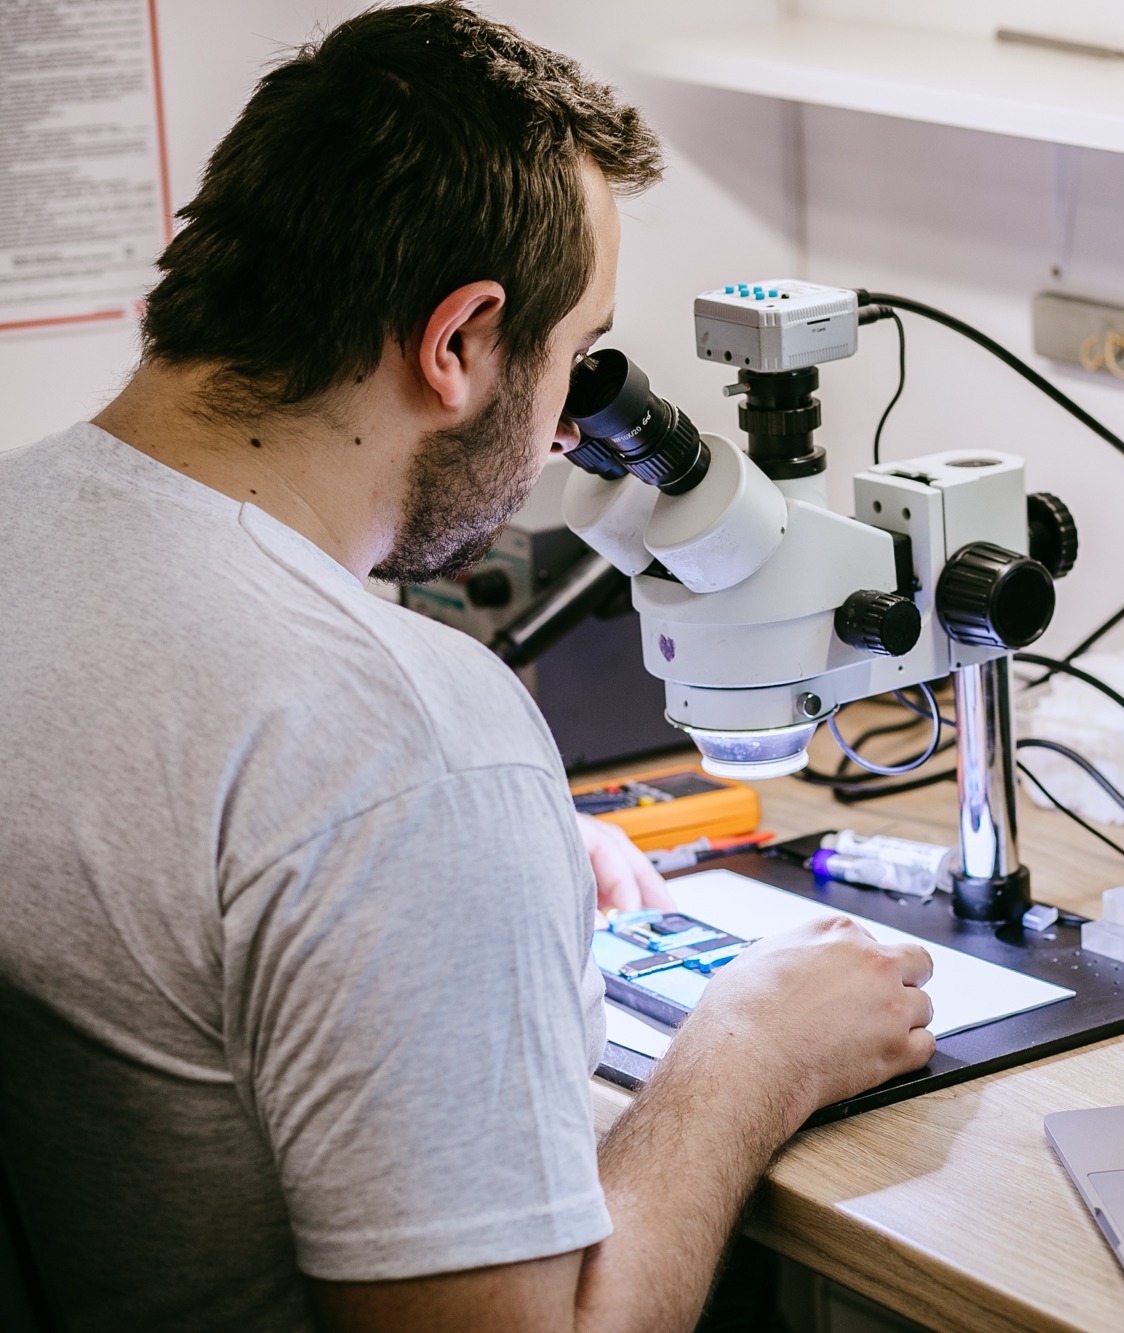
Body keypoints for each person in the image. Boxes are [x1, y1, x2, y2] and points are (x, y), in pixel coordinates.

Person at [0, 5, 936, 1330]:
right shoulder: (406, 744)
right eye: (576, 356)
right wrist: (747, 1053)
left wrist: (469, 867)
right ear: (458, 344)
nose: (570, 422)